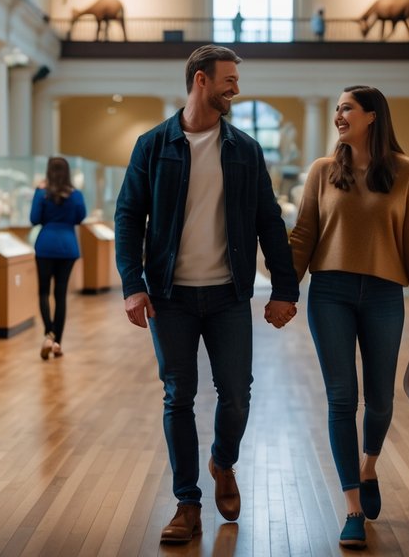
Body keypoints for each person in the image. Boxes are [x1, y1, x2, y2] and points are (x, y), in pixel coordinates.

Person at [115, 44, 299, 544]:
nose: (236, 88)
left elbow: (268, 222)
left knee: (237, 394)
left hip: (228, 296)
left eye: (236, 80)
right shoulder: (153, 146)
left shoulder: (243, 149)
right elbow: (128, 217)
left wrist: (284, 288)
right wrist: (133, 286)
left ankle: (222, 461)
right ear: (200, 80)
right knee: (178, 397)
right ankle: (187, 504)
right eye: (228, 80)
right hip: (170, 297)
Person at [288, 85, 409, 550]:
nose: (337, 115)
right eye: (335, 108)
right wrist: (284, 292)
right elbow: (304, 233)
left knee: (380, 401)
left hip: (385, 294)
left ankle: (368, 466)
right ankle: (352, 505)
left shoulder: (407, 172)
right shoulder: (323, 171)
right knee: (340, 399)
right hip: (328, 291)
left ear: (372, 116)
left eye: (346, 108)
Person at [30, 156, 88, 360]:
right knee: (61, 295)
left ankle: (48, 334)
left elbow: (34, 219)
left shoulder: (41, 192)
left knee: (44, 292)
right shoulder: (76, 194)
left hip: (45, 245)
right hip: (67, 246)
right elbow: (81, 217)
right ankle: (57, 344)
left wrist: (40, 194)